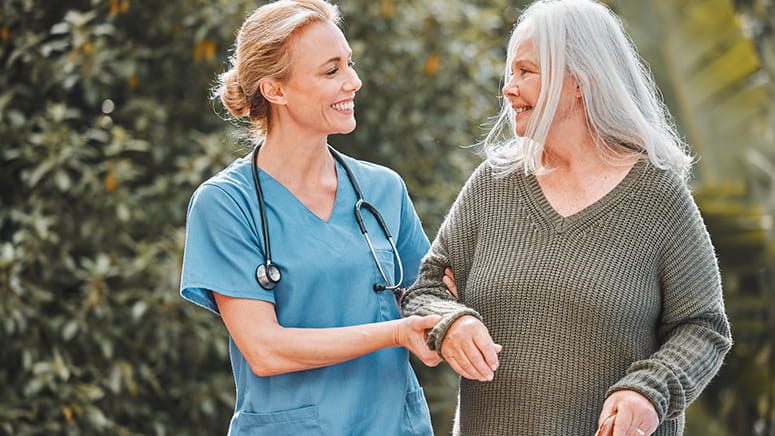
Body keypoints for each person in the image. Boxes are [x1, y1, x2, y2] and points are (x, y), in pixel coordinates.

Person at [401, 0, 732, 435]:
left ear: (578, 81)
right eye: (511, 72)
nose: (509, 88)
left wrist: (648, 391)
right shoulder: (493, 185)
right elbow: (425, 289)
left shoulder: (656, 196)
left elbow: (704, 326)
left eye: (526, 72)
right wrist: (452, 322)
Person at [179, 1, 451, 434]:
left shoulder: (382, 190)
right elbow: (266, 351)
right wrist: (396, 333)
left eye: (349, 64)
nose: (354, 81)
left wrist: (450, 323)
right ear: (275, 90)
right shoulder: (226, 204)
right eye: (331, 71)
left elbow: (429, 294)